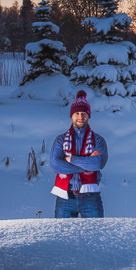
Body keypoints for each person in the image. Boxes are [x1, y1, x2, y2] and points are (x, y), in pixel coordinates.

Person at [50, 90, 108, 218]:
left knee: (95, 235)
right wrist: (87, 164)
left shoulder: (98, 140)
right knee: (63, 236)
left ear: (89, 115)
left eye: (83, 113)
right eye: (77, 113)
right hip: (65, 196)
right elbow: (55, 165)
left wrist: (70, 159)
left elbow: (99, 163)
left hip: (91, 197)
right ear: (71, 115)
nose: (80, 117)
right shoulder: (60, 140)